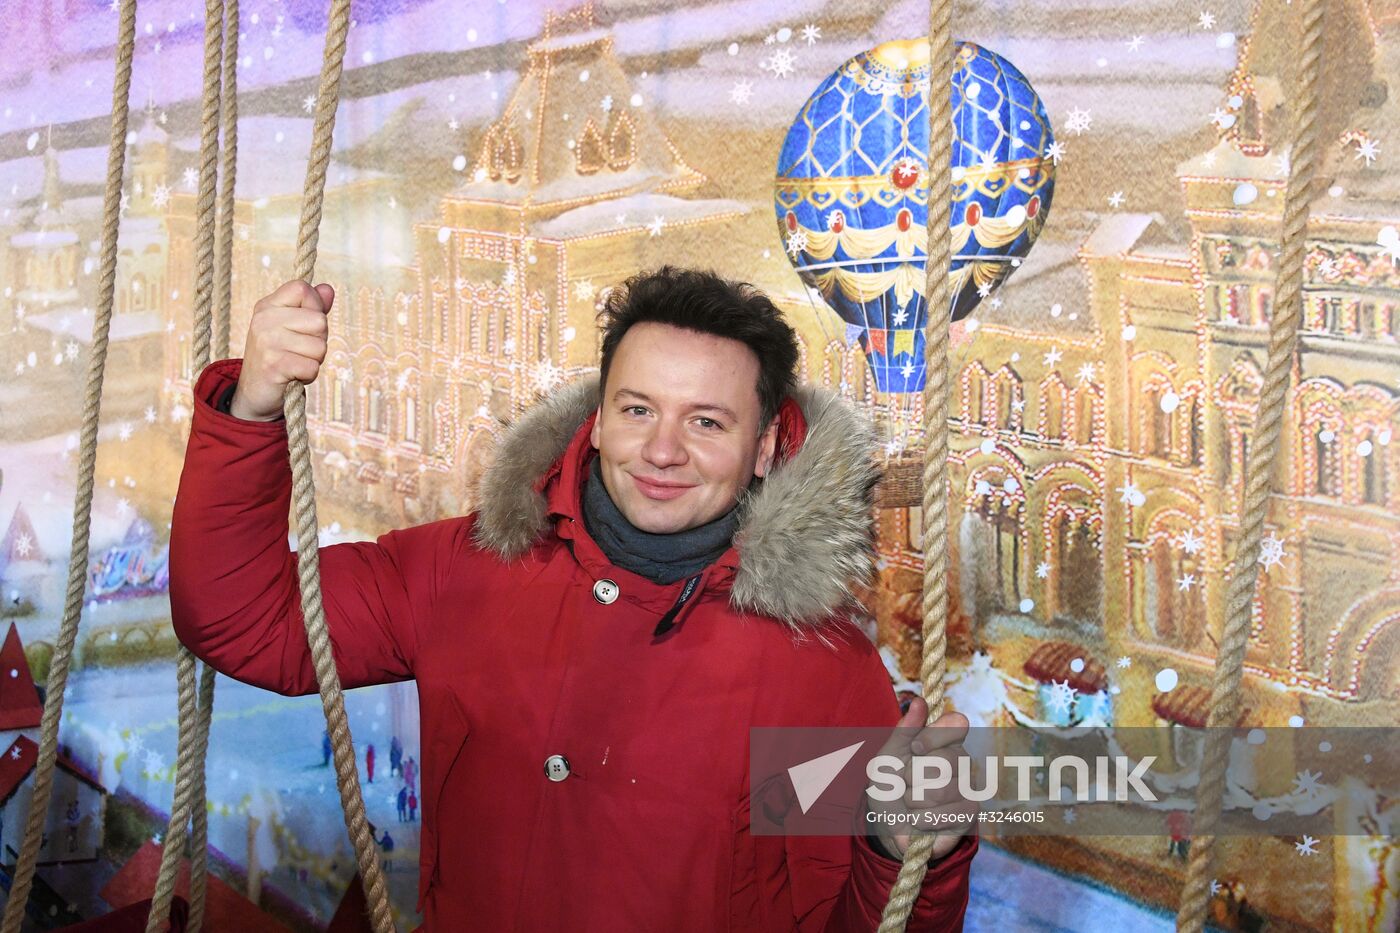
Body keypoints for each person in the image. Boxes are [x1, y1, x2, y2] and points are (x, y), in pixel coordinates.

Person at [170, 267, 977, 930]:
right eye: (637, 409)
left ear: (764, 447)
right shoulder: (468, 569)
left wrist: (900, 850)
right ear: (596, 421)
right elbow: (245, 620)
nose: (662, 450)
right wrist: (256, 405)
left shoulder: (816, 670)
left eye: (706, 422)